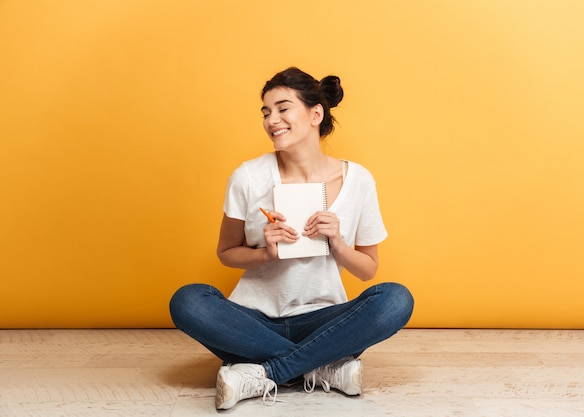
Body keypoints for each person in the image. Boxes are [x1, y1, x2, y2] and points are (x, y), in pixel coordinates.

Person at [169, 67, 414, 410]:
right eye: (266, 112)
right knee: (188, 301)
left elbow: (368, 270)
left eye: (283, 108)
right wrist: (264, 254)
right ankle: (323, 367)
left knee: (395, 299)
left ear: (316, 113)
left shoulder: (359, 181)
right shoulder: (249, 176)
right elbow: (226, 252)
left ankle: (265, 372)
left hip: (324, 322)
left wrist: (338, 243)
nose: (272, 120)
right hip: (251, 321)